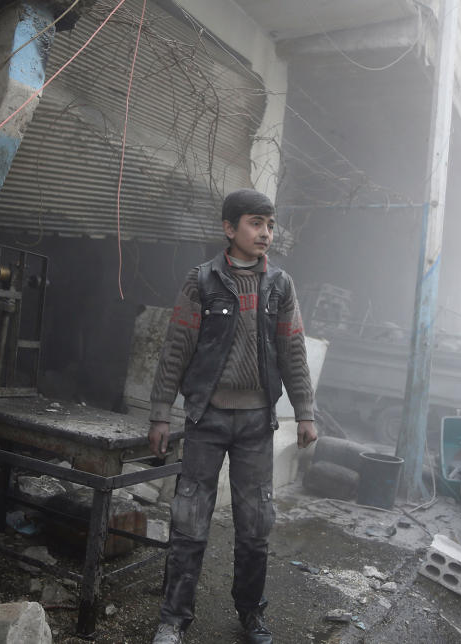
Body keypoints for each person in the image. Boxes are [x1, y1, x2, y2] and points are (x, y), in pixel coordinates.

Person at [148, 189, 318, 644]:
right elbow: (176, 349)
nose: (265, 232)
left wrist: (305, 412)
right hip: (207, 418)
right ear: (229, 228)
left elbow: (293, 351)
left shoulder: (280, 286)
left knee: (255, 524)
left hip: (256, 424)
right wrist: (161, 413)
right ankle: (173, 619)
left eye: (270, 224)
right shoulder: (201, 281)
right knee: (189, 521)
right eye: (255, 223)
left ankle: (251, 614)